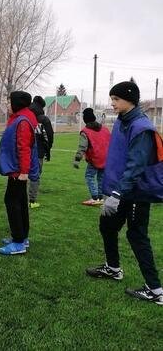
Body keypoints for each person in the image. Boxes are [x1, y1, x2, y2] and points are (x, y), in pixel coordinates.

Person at [86, 81, 162, 305]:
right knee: (107, 225)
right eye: (112, 99)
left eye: (116, 99)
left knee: (137, 235)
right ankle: (113, 268)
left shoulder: (141, 127)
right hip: (120, 190)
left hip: (136, 192)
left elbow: (135, 166)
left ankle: (155, 290)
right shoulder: (121, 122)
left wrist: (117, 194)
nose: (112, 103)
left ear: (130, 100)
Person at [0, 91, 39, 255]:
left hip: (18, 171)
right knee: (20, 203)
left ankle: (18, 242)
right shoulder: (20, 118)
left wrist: (23, 172)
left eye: (9, 102)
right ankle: (22, 237)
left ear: (17, 104)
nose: (7, 105)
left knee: (12, 202)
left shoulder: (22, 121)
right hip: (16, 170)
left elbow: (24, 148)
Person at [73, 108, 111, 206]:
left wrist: (77, 160)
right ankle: (100, 197)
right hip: (106, 158)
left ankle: (95, 197)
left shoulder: (85, 131)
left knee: (89, 176)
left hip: (94, 159)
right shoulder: (105, 129)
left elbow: (82, 147)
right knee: (101, 178)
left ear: (84, 119)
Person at [28, 95, 54, 208]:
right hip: (37, 152)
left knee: (21, 173)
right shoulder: (43, 119)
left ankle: (20, 198)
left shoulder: (25, 116)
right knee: (35, 175)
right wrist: (47, 151)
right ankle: (32, 201)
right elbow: (49, 137)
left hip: (22, 151)